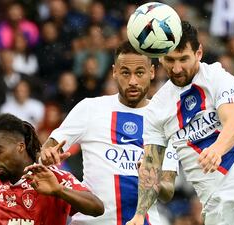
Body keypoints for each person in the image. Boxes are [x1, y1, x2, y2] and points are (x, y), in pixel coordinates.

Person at [126, 21, 234, 225]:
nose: (176, 68)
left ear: (199, 53)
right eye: (170, 60)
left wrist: (217, 149)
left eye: (184, 59)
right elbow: (151, 163)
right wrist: (140, 214)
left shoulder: (218, 78)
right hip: (210, 202)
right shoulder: (157, 107)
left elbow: (233, 124)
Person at [39, 41, 178, 225]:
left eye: (140, 72)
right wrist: (48, 153)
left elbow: (168, 191)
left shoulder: (166, 121)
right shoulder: (90, 108)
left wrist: (153, 181)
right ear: (114, 72)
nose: (133, 81)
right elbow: (50, 146)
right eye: (125, 73)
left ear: (152, 72)